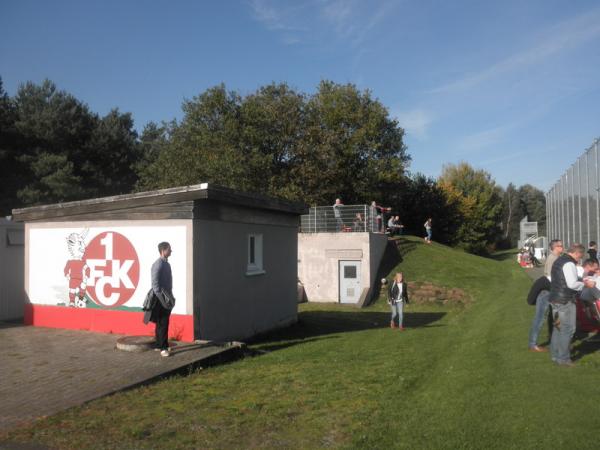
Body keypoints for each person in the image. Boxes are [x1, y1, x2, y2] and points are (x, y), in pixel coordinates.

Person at [549, 243, 595, 367]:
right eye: (580, 256)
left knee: (558, 327)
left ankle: (555, 354)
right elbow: (572, 284)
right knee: (568, 329)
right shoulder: (569, 263)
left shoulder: (559, 260)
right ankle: (563, 358)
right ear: (577, 253)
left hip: (555, 299)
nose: (580, 259)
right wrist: (585, 284)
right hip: (565, 300)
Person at [527, 239, 562, 352]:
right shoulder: (553, 259)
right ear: (555, 247)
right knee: (540, 319)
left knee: (552, 317)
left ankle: (553, 340)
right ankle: (532, 344)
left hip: (548, 291)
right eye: (560, 246)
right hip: (547, 292)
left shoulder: (554, 258)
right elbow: (551, 278)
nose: (562, 247)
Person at [150, 242, 176, 357]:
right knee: (163, 322)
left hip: (166, 297)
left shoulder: (166, 264)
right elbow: (155, 285)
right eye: (169, 249)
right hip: (160, 298)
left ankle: (158, 345)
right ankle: (163, 348)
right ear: (163, 250)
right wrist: (163, 300)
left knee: (161, 323)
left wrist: (171, 296)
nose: (171, 251)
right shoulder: (158, 264)